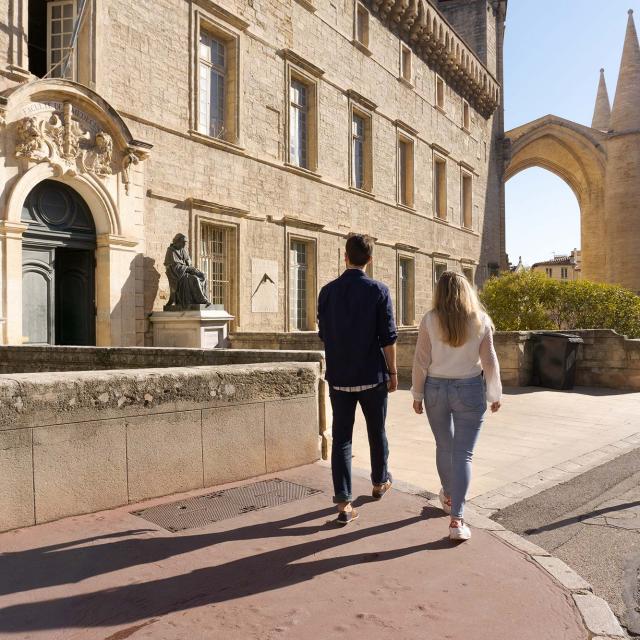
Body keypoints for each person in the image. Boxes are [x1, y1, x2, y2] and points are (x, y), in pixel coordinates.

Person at [411, 271, 502, 541]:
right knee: (463, 455)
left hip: (436, 389)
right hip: (469, 388)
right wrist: (495, 393)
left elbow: (420, 360)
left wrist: (417, 394)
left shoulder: (430, 320)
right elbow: (490, 361)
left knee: (443, 446)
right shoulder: (481, 320)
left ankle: (449, 495)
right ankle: (457, 520)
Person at [318, 234, 398, 525]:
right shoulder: (379, 291)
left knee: (342, 438)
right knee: (377, 432)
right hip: (371, 376)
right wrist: (393, 372)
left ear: (345, 257)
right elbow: (388, 338)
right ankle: (379, 482)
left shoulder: (327, 292)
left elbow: (324, 334)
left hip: (340, 377)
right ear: (370, 259)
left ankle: (343, 502)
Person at [164, 233, 211, 308]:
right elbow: (174, 267)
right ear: (177, 241)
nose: (184, 245)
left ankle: (203, 298)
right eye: (183, 243)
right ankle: (202, 300)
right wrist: (188, 268)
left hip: (185, 272)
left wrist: (194, 270)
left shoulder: (182, 250)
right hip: (177, 276)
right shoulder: (171, 251)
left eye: (185, 243)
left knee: (202, 276)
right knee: (194, 279)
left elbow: (188, 263)